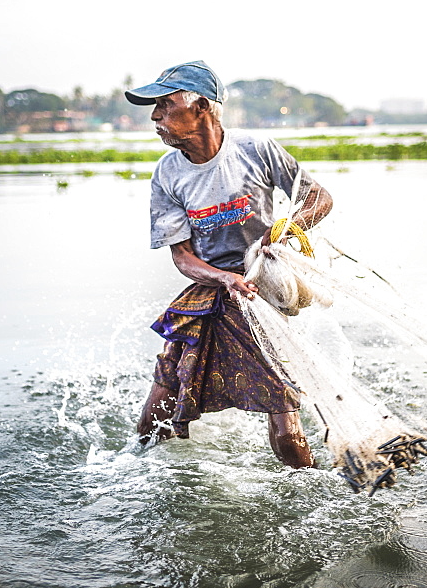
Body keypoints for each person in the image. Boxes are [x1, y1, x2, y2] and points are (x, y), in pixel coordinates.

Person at [126, 60, 333, 468]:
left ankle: (312, 493)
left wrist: (284, 232)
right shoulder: (167, 173)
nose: (155, 117)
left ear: (200, 106)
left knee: (288, 432)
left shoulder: (255, 150)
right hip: (210, 297)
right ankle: (149, 477)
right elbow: (183, 257)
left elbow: (319, 198)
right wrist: (222, 277)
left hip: (262, 296)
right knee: (157, 417)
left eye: (164, 106)